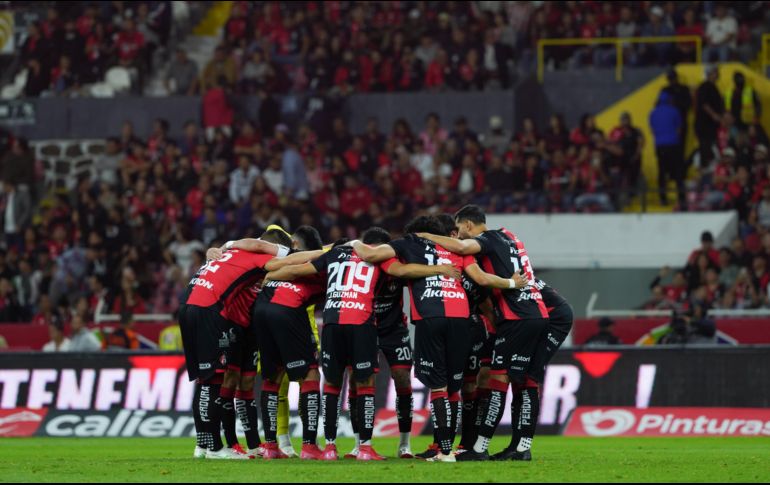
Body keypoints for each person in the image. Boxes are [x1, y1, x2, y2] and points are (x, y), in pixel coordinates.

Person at [265, 226, 460, 461]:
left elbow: (300, 268)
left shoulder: (362, 257)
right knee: (356, 381)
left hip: (385, 328)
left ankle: (402, 444)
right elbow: (304, 268)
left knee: (399, 379)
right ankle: (360, 445)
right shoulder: (369, 259)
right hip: (362, 323)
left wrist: (271, 274)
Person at [412, 205, 548, 461]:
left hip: (516, 317)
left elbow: (464, 250)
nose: (458, 235)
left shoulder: (486, 239)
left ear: (467, 225)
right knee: (525, 382)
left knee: (497, 381)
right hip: (536, 313)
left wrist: (426, 236)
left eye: (459, 229)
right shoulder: (509, 237)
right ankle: (521, 447)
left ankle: (479, 448)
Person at [179, 229, 316, 460]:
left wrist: (221, 247)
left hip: (213, 313)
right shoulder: (256, 256)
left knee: (224, 381)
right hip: (224, 318)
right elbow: (277, 255)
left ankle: (223, 444)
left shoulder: (232, 258)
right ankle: (218, 445)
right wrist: (321, 255)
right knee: (216, 380)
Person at [650, 90, 685, 207]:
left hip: (660, 145)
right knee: (678, 172)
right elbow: (679, 129)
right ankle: (681, 198)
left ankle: (663, 199)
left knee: (662, 173)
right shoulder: (675, 111)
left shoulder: (653, 113)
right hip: (673, 144)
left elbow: (653, 130)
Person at [695, 65, 724, 168]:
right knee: (705, 148)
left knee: (713, 148)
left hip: (712, 125)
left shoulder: (714, 87)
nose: (717, 74)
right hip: (704, 125)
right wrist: (714, 115)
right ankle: (705, 169)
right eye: (715, 72)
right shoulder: (704, 87)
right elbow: (704, 103)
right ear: (709, 74)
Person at [661, 68, 692, 161]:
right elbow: (660, 105)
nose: (672, 81)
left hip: (681, 122)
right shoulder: (665, 90)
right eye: (670, 79)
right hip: (668, 124)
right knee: (669, 148)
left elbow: (688, 104)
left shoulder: (684, 89)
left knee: (681, 147)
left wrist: (676, 103)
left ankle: (679, 167)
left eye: (673, 78)